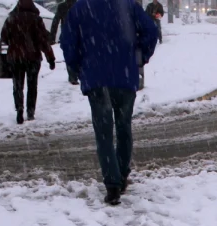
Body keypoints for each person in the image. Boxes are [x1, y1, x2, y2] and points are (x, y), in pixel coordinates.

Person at [61, 0, 159, 206]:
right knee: (124, 127)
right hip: (124, 76)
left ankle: (112, 185)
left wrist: (78, 66)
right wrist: (139, 57)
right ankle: (122, 176)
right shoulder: (127, 6)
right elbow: (151, 30)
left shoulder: (80, 8)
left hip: (96, 78)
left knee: (103, 133)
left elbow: (68, 42)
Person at [0, 0, 56, 125]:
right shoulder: (36, 19)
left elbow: (4, 37)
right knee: (32, 85)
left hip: (16, 57)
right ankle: (30, 112)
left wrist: (14, 44)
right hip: (33, 58)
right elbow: (43, 40)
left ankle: (19, 109)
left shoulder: (11, 18)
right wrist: (50, 58)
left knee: (17, 85)